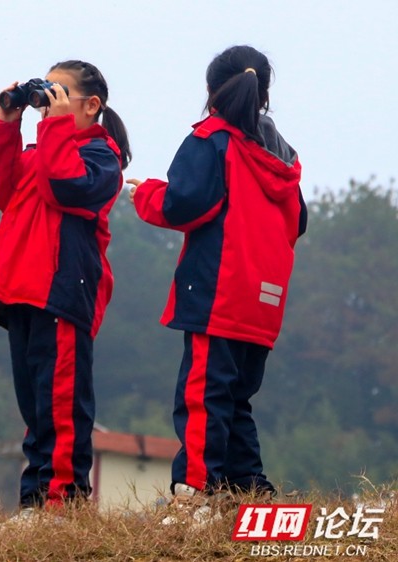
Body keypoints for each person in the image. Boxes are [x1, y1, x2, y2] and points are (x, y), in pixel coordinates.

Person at [127, 45, 307, 513]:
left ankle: (195, 493)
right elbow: (298, 221)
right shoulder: (282, 157)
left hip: (219, 292)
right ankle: (249, 491)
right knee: (236, 397)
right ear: (263, 94)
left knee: (203, 395)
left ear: (211, 92)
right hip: (264, 299)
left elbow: (185, 204)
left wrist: (146, 194)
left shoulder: (211, 140)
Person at [0, 60, 130, 513]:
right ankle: (34, 502)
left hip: (61, 292)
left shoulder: (102, 159)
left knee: (61, 404)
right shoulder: (39, 152)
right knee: (35, 408)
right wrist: (6, 123)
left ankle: (64, 502)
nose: (48, 104)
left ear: (91, 105)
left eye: (58, 94)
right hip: (20, 291)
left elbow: (66, 187)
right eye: (45, 95)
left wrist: (55, 128)